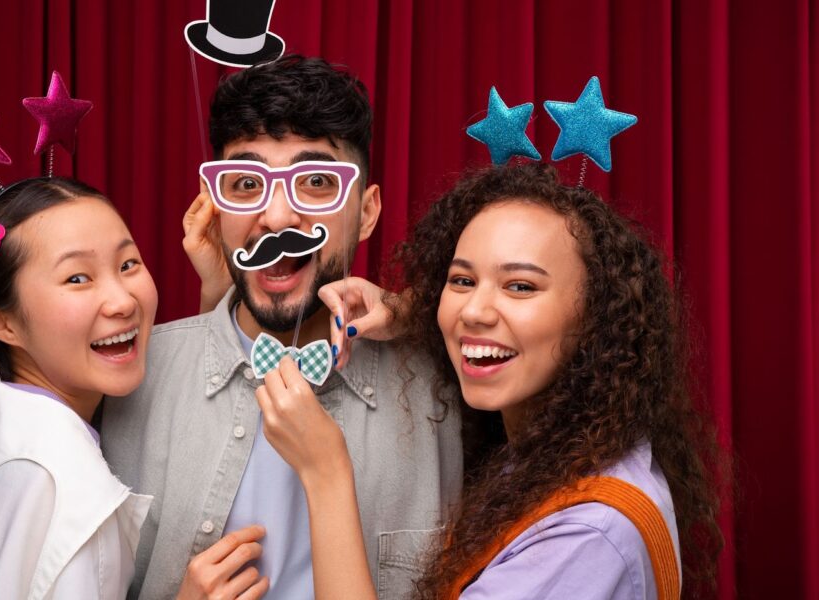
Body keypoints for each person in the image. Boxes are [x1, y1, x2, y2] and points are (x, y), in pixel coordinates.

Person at [255, 163, 723, 599]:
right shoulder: (568, 445)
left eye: (520, 286)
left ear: (599, 318)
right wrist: (408, 312)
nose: (474, 312)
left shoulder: (588, 535)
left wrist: (325, 473)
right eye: (461, 281)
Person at [99, 55, 463, 600]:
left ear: (366, 213)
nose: (275, 217)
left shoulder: (448, 385)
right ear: (215, 207)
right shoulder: (131, 380)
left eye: (316, 181)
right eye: (246, 183)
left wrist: (421, 314)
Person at [0, 177, 266, 600]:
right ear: (3, 322)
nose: (122, 301)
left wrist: (216, 299)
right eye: (77, 279)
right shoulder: (59, 485)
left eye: (128, 265)